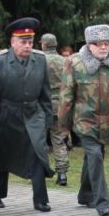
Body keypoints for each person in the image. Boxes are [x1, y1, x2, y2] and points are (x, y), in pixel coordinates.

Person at [59, 24, 109, 216]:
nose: (103, 47)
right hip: (84, 122)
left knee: (94, 156)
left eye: (106, 43)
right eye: (98, 44)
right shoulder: (74, 64)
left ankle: (85, 194)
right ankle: (102, 201)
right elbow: (66, 97)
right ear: (89, 45)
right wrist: (63, 126)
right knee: (95, 155)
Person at [0, 17, 54, 212]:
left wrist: (47, 118)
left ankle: (40, 199)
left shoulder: (40, 59)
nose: (27, 46)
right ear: (12, 42)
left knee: (38, 153)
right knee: (1, 155)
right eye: (23, 42)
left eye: (30, 42)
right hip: (7, 114)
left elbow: (45, 92)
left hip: (33, 113)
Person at [40, 33, 68, 186]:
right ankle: (62, 173)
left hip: (43, 105)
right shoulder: (64, 61)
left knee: (39, 140)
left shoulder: (39, 61)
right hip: (60, 104)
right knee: (59, 140)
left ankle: (40, 171)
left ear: (43, 45)